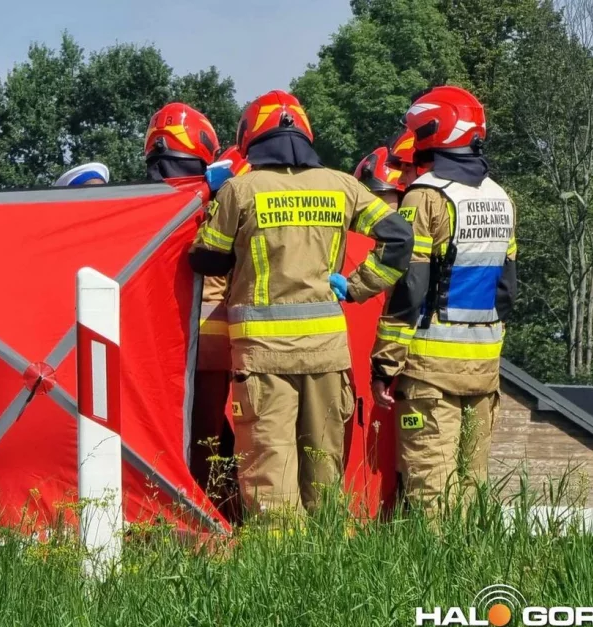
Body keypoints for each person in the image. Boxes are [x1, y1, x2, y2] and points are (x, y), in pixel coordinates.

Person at [188, 90, 414, 517]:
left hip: (263, 361)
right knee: (324, 476)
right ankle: (326, 569)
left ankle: (279, 575)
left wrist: (213, 202)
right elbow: (400, 238)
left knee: (271, 478)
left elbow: (205, 258)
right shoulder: (341, 186)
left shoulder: (241, 190)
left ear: (251, 137)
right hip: (327, 355)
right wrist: (358, 286)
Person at [370, 86, 517, 514]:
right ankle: (470, 572)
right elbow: (507, 291)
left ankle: (434, 575)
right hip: (485, 368)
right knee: (471, 488)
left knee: (430, 488)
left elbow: (410, 287)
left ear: (435, 131)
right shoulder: (501, 198)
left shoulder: (425, 195)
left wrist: (385, 363)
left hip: (431, 372)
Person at [144, 102, 239, 508]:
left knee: (167, 439)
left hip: (154, 344)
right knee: (208, 441)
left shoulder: (140, 201)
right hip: (212, 343)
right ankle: (209, 517)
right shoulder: (221, 194)